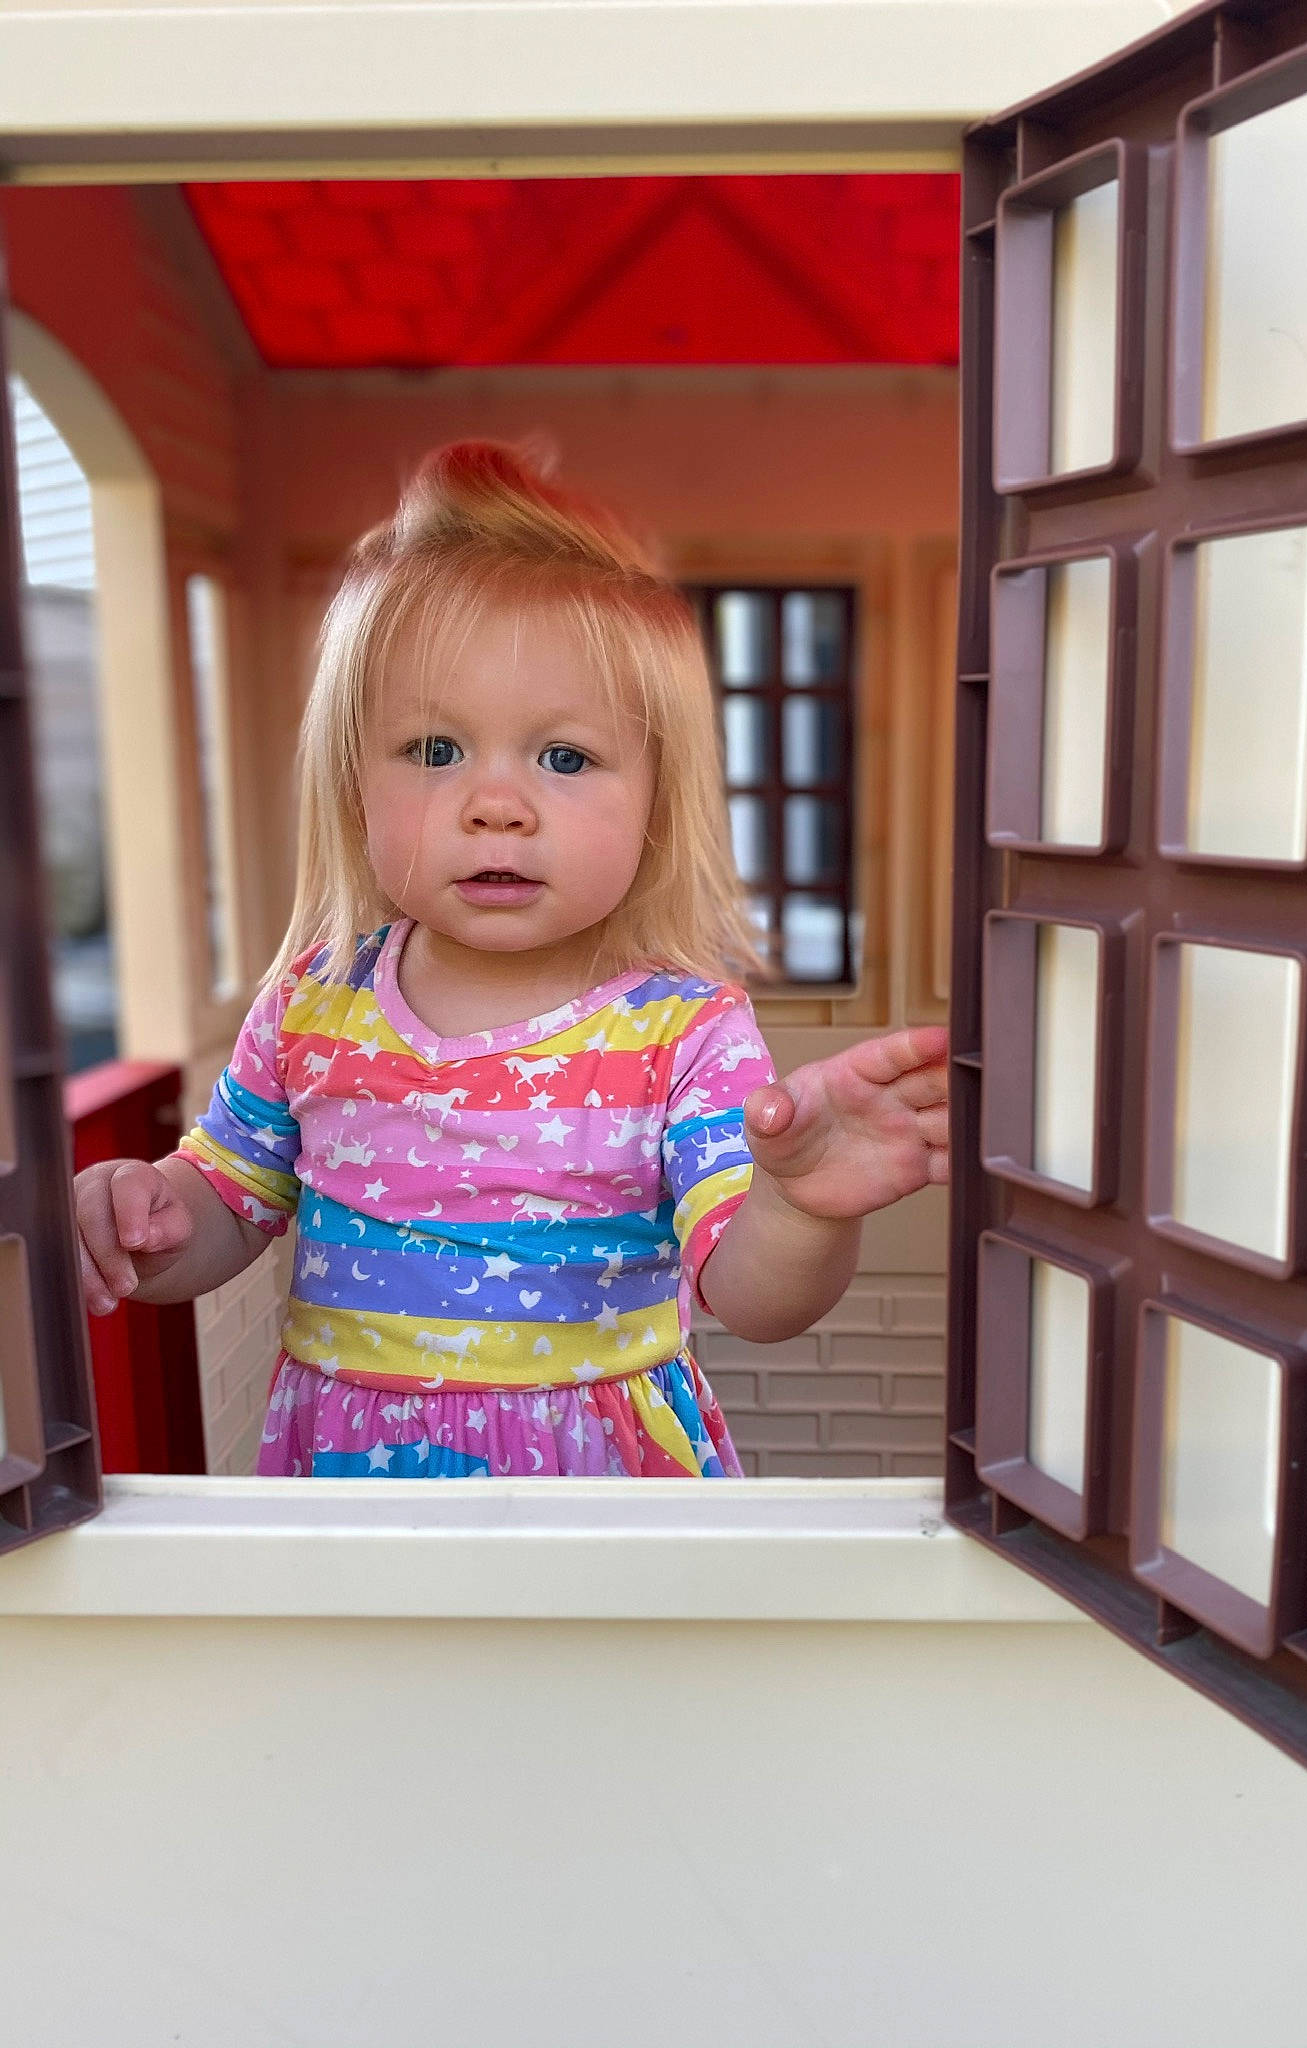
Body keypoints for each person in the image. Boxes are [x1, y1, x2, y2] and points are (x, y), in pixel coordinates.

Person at [72, 441, 949, 1478]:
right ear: (353, 784)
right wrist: (149, 1218)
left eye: (564, 757)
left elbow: (754, 1299)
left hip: (595, 1493)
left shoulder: (684, 1031)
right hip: (352, 1493)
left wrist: (799, 1205)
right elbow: (228, 1202)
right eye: (435, 750)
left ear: (657, 801)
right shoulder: (312, 1002)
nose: (496, 804)